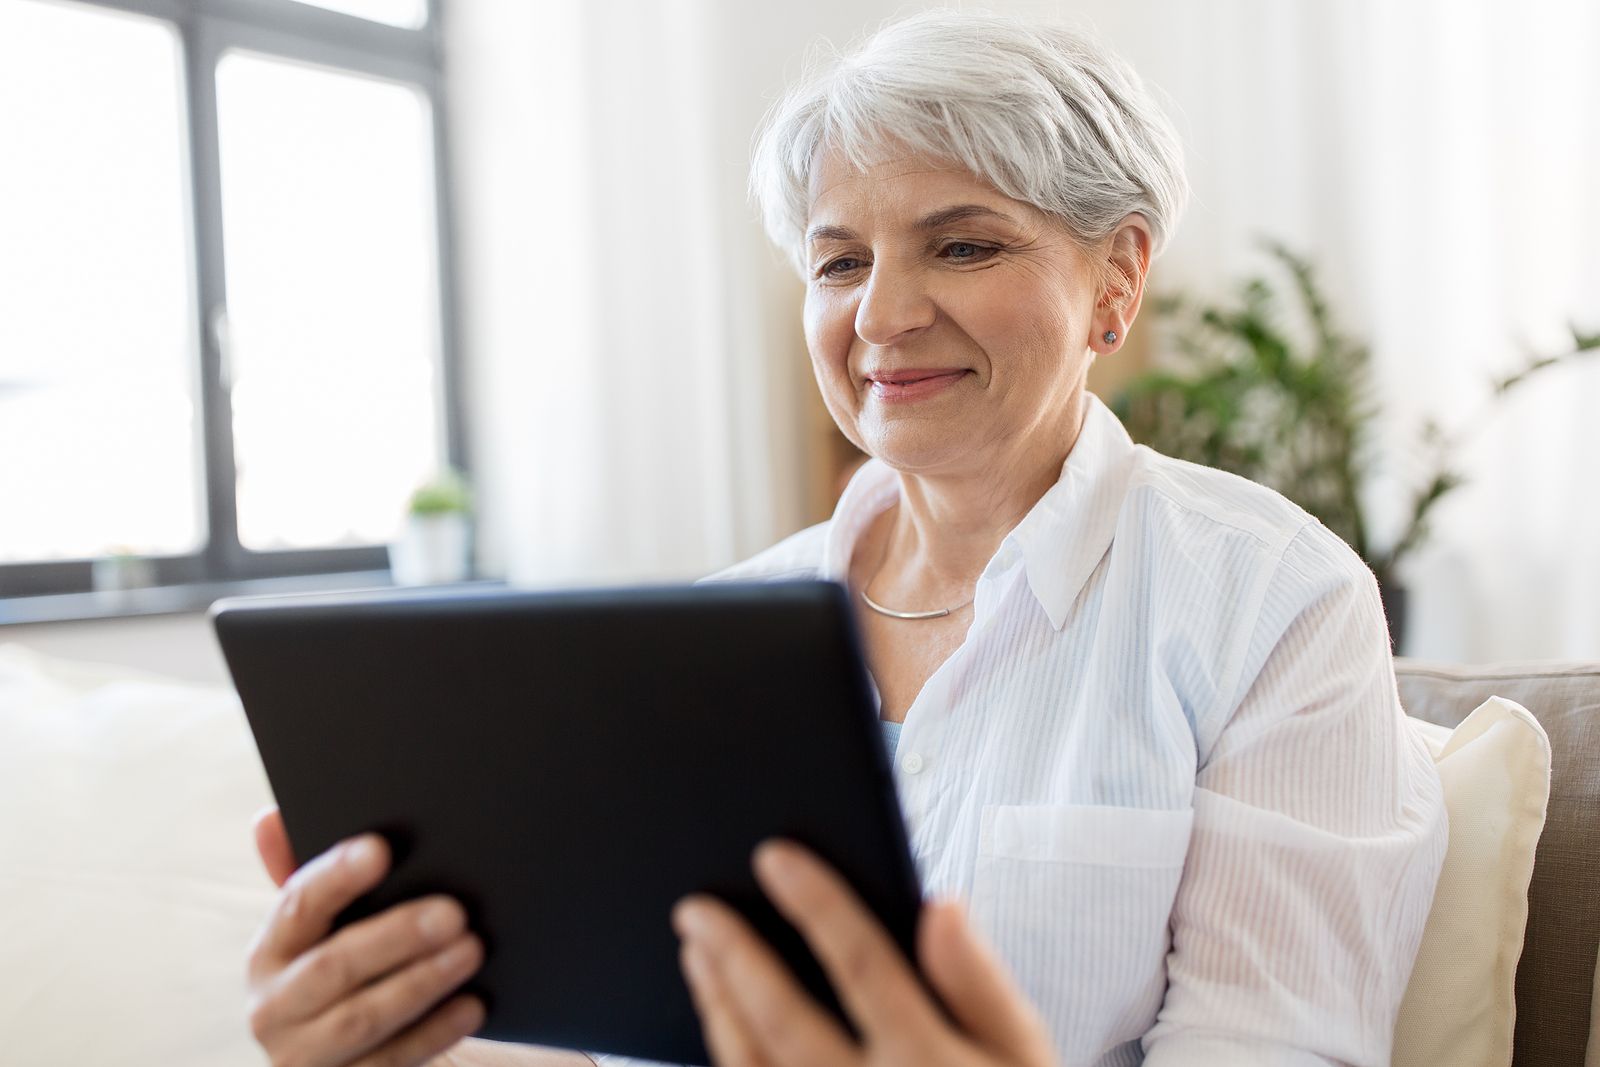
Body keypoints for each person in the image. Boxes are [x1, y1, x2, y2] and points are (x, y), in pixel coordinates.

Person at [244, 11, 1447, 1067]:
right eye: (839, 260)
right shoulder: (702, 641)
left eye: (963, 243)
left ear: (1117, 278)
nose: (881, 314)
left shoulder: (1270, 601)